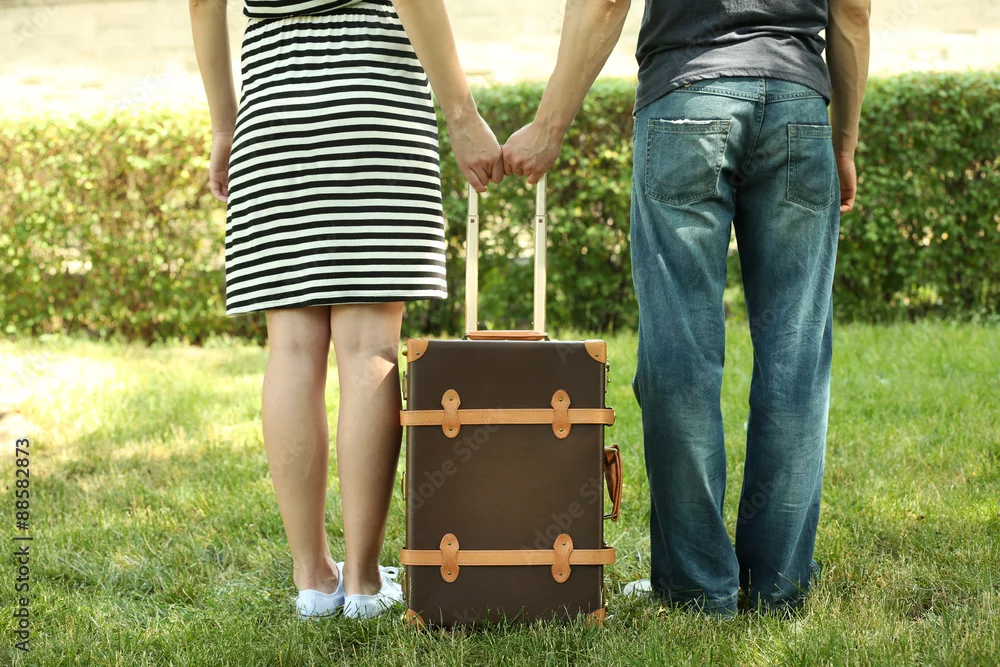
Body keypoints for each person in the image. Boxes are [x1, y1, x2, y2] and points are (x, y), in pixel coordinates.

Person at [504, 0, 871, 616]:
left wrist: (549, 126)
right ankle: (777, 583)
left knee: (680, 352)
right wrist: (844, 141)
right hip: (798, 108)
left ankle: (698, 587)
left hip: (688, 101)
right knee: (797, 357)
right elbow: (853, 14)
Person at [190, 0, 503, 619]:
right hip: (374, 98)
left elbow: (203, 5)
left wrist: (226, 127)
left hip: (273, 104)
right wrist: (462, 116)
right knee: (368, 351)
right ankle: (362, 581)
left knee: (291, 350)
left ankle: (311, 578)